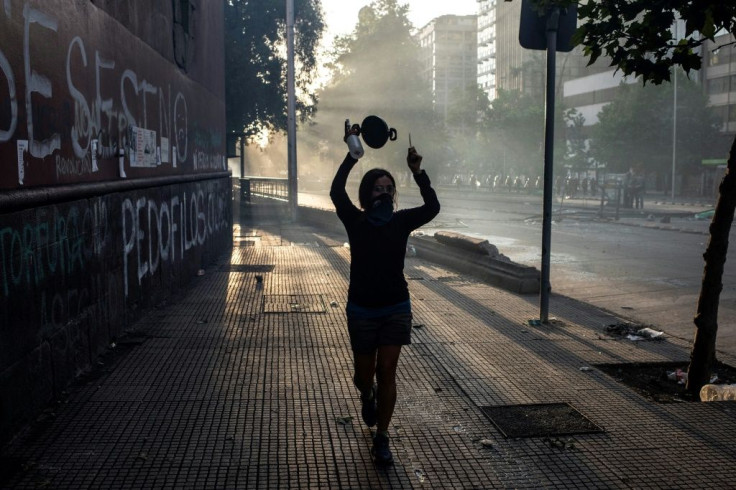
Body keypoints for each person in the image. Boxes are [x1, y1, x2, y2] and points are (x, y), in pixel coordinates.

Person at [330, 126, 440, 465]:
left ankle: (383, 437)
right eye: (377, 188)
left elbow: (432, 207)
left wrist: (418, 172)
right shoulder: (356, 221)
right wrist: (352, 153)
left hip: (396, 306)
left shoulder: (401, 221)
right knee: (365, 375)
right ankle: (367, 395)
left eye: (388, 189)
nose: (383, 193)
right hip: (362, 308)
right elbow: (336, 192)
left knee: (387, 369)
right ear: (367, 195)